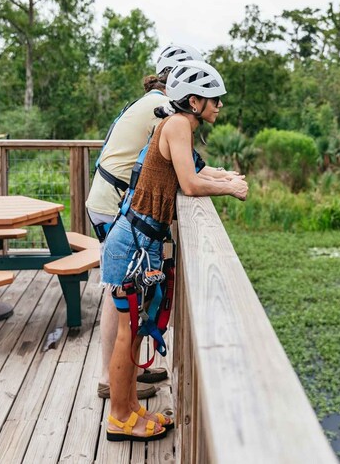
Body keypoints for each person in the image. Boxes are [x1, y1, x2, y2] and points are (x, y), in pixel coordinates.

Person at [103, 60, 248, 442]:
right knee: (128, 333)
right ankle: (118, 418)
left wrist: (223, 177)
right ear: (194, 100)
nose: (218, 106)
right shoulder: (179, 125)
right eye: (214, 100)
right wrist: (231, 188)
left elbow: (192, 176)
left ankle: (130, 408)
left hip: (140, 241)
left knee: (133, 333)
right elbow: (191, 183)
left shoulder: (177, 125)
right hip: (134, 244)